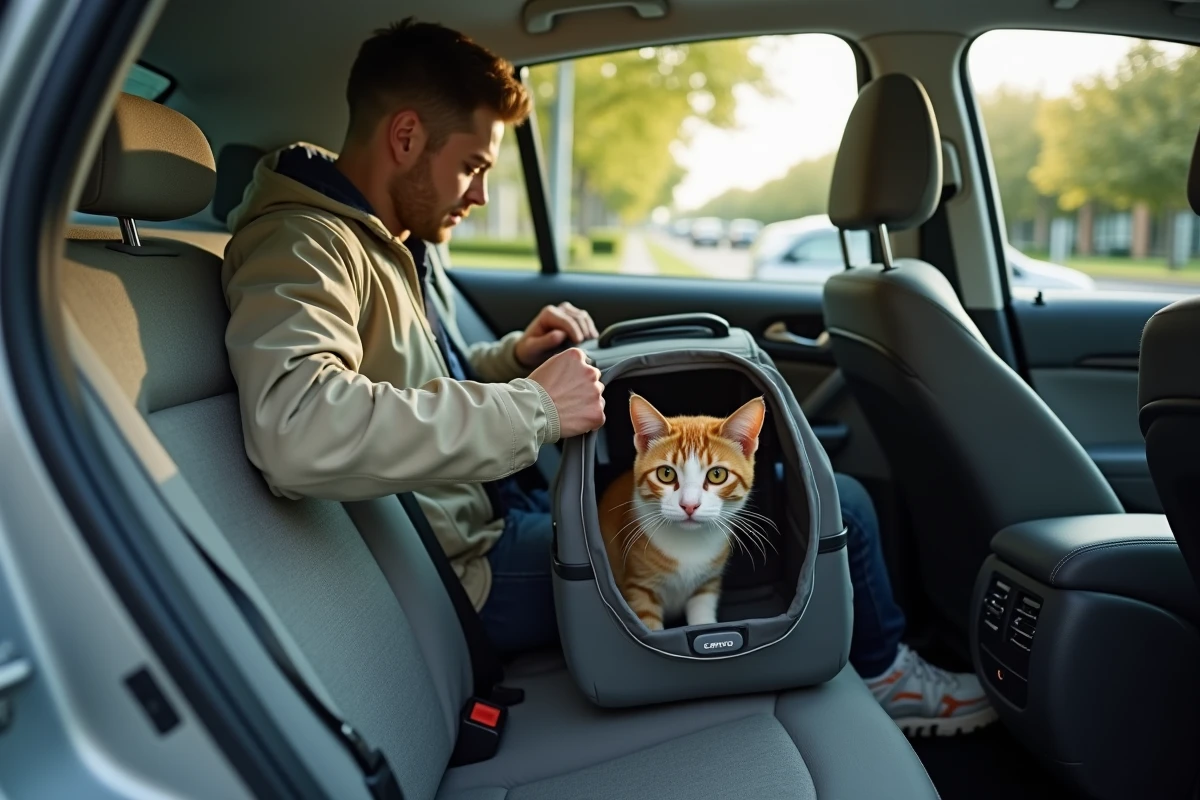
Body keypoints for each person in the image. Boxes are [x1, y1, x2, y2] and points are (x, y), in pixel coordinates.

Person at [219, 18, 994, 738]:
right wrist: (532, 407)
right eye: (473, 167)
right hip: (464, 570)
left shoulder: (390, 239)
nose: (482, 193)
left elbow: (413, 373)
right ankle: (888, 678)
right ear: (407, 135)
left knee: (780, 496)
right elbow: (297, 425)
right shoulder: (304, 245)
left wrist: (512, 359)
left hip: (497, 504)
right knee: (839, 506)